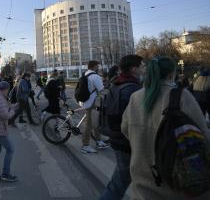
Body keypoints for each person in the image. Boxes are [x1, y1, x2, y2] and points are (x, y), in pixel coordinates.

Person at [121, 57, 210, 200]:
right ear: (171, 74)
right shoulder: (182, 96)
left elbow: (125, 129)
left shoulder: (135, 97)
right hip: (178, 186)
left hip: (142, 185)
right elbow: (204, 137)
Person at [99, 55, 145, 200]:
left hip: (116, 137)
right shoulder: (133, 89)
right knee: (119, 183)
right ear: (133, 69)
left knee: (121, 180)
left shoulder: (117, 83)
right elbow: (134, 120)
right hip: (126, 142)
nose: (144, 68)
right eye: (142, 66)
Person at [79, 61, 108, 153]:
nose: (98, 67)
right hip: (91, 103)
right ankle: (85, 146)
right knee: (89, 124)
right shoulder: (95, 76)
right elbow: (101, 89)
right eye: (98, 65)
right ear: (95, 66)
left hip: (85, 101)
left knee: (96, 121)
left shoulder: (85, 74)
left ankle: (98, 141)